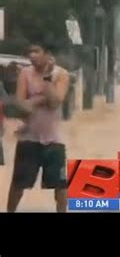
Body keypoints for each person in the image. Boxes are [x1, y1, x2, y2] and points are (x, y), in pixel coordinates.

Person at [7, 40, 70, 212]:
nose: (32, 56)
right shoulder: (25, 74)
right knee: (18, 185)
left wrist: (47, 79)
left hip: (54, 140)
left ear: (48, 54)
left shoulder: (61, 74)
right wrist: (42, 100)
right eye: (30, 52)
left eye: (36, 51)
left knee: (61, 186)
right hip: (29, 137)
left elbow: (56, 101)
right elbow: (21, 105)